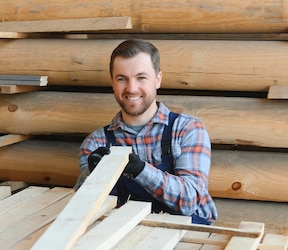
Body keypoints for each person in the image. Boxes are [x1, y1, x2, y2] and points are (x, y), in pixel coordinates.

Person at [75, 39, 218, 224]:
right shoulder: (96, 142)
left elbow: (190, 201)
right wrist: (91, 173)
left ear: (157, 79)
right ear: (112, 82)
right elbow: (83, 207)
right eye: (122, 79)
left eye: (141, 77)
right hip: (123, 238)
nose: (131, 88)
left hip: (189, 238)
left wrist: (140, 170)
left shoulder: (188, 130)